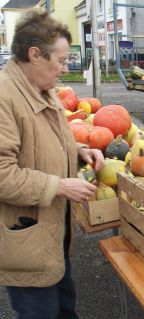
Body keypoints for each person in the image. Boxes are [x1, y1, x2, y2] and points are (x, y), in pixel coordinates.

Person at [0, 9, 105, 318]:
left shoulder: (43, 90)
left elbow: (46, 143)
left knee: (65, 310)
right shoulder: (5, 98)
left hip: (53, 237)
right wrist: (59, 186)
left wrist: (79, 151)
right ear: (34, 54)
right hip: (28, 244)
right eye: (60, 60)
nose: (65, 68)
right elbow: (3, 175)